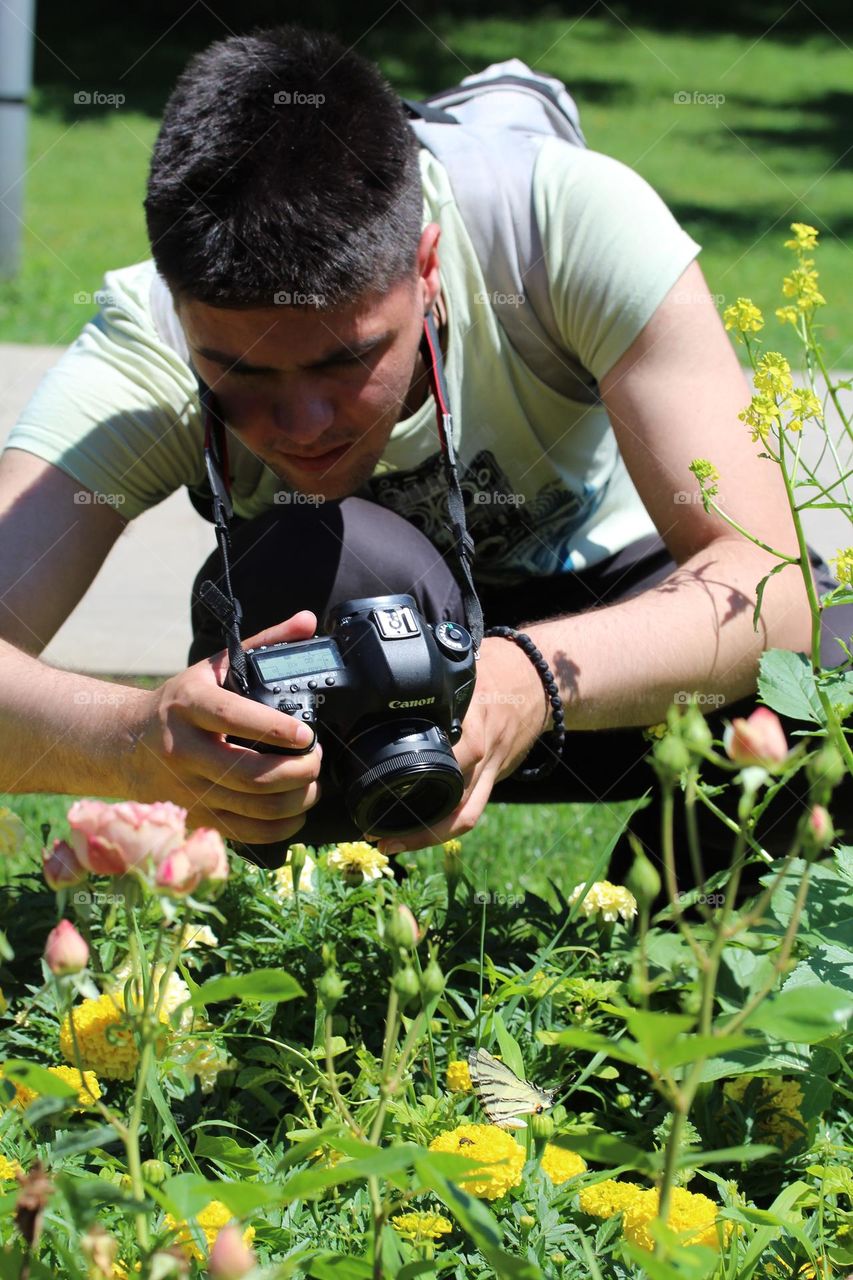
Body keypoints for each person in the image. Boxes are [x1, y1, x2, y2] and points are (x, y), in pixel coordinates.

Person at [0, 25, 848, 893]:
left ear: (428, 266)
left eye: (345, 360)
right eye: (239, 374)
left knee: (840, 665)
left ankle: (670, 970)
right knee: (320, 555)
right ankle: (319, 957)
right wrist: (135, 741)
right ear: (182, 318)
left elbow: (768, 583)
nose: (300, 422)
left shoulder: (559, 225)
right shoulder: (142, 345)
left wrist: (522, 680)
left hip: (607, 647)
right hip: (337, 685)